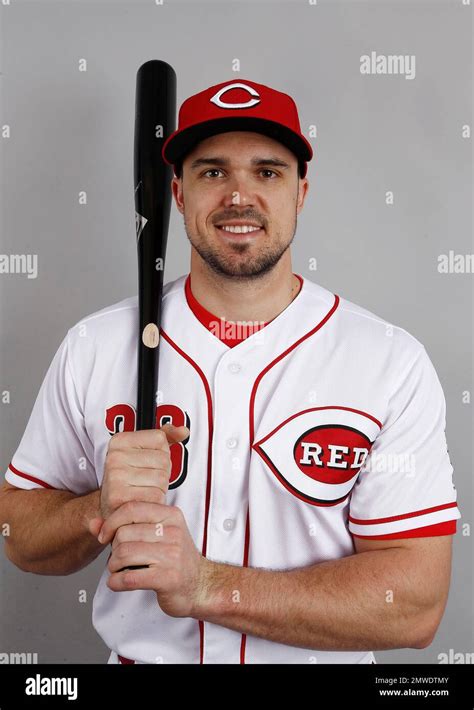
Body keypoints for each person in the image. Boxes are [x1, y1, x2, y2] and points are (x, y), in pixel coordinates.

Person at [0, 79, 461, 664]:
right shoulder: (95, 345)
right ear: (176, 193)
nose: (239, 196)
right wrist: (97, 507)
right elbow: (20, 538)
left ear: (302, 192)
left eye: (267, 172)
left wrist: (206, 587)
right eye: (212, 172)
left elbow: (415, 605)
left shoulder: (388, 362)